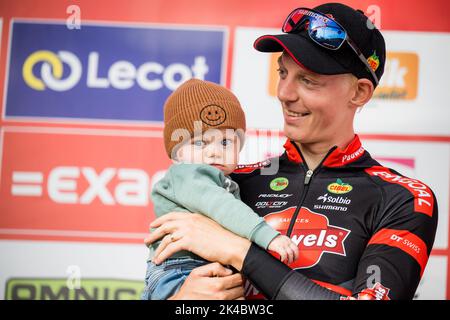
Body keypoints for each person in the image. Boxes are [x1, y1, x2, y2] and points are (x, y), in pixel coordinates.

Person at [145, 3, 438, 300]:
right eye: (283, 72)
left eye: (307, 80)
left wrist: (240, 252)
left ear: (359, 92)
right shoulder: (229, 182)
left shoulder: (403, 198)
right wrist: (181, 300)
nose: (285, 93)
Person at [142, 79, 299, 300]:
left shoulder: (226, 179)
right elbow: (222, 207)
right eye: (199, 143)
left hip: (202, 267)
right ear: (177, 153)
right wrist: (268, 237)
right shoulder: (188, 175)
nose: (215, 152)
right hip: (180, 271)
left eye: (225, 143)